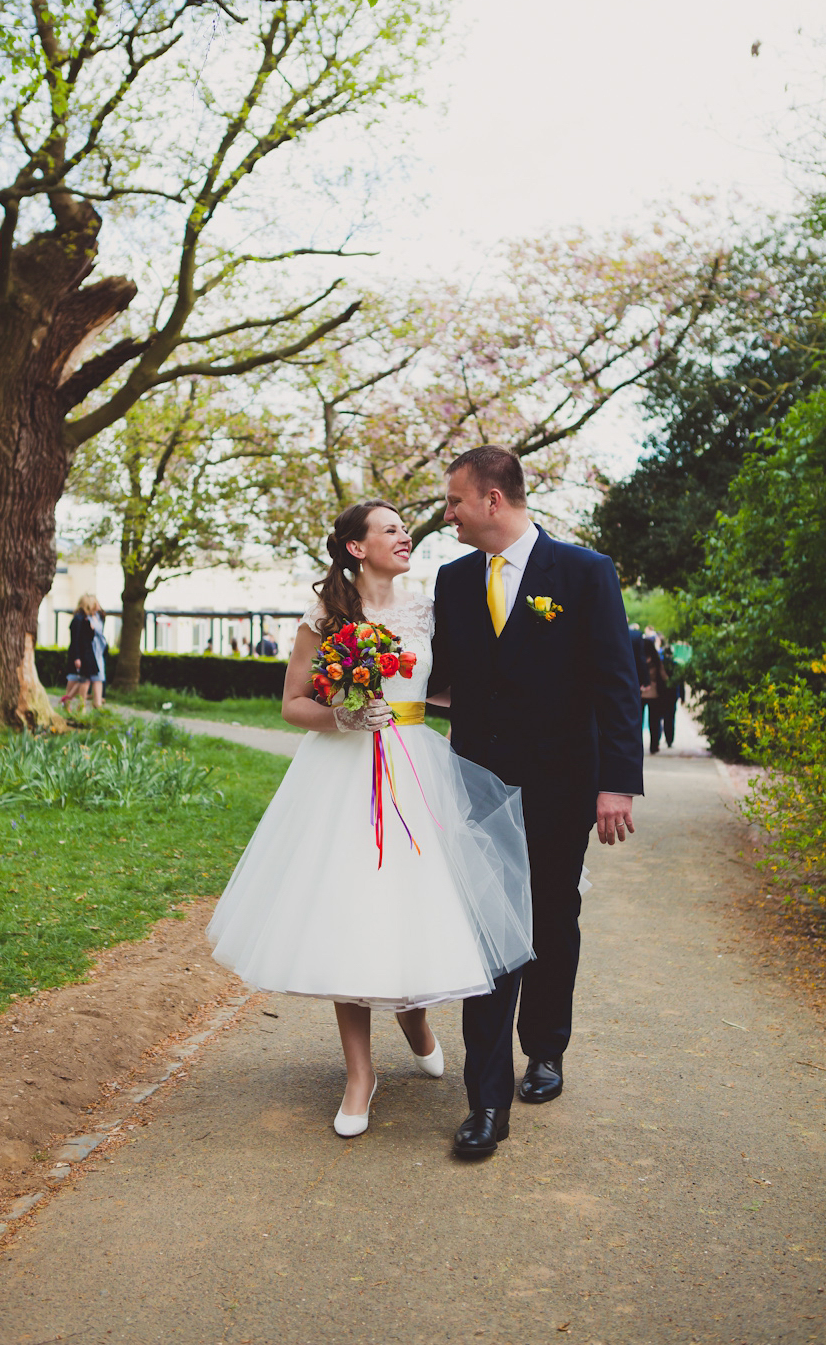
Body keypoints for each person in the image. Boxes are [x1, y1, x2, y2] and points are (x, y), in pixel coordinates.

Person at [207, 500, 534, 1141]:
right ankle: (361, 1075)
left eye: (404, 528)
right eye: (390, 529)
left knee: (419, 908)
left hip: (417, 771)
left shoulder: (429, 611)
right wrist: (344, 717)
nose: (405, 535)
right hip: (342, 775)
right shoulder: (326, 617)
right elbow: (292, 705)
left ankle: (414, 1019)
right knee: (347, 914)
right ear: (358, 548)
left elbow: (452, 686)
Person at [430, 445, 644, 1158]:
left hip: (562, 783)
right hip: (479, 784)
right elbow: (438, 674)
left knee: (551, 916)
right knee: (489, 930)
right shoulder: (453, 580)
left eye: (455, 501)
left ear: (494, 500)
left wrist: (617, 783)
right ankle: (486, 1103)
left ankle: (546, 1049)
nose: (448, 514)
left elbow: (617, 686)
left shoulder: (584, 573)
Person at [60, 595, 97, 713]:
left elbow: (88, 638)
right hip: (82, 655)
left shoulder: (85, 619)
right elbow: (75, 639)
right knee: (83, 680)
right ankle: (77, 704)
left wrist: (92, 629)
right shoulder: (79, 619)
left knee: (83, 680)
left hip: (85, 654)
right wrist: (76, 657)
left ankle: (69, 701)